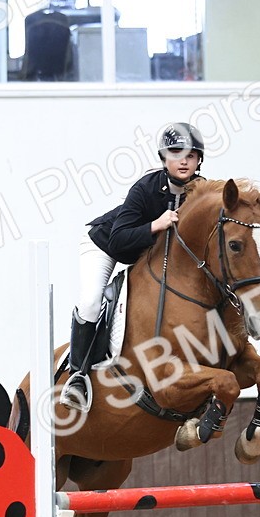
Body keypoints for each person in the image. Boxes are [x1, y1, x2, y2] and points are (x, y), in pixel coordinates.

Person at [59, 121, 206, 410]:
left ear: (199, 160)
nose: (184, 161)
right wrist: (155, 224)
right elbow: (118, 240)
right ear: (163, 158)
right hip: (105, 245)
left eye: (190, 155)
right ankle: (77, 376)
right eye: (176, 154)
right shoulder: (145, 188)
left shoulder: (201, 191)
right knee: (90, 302)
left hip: (145, 254)